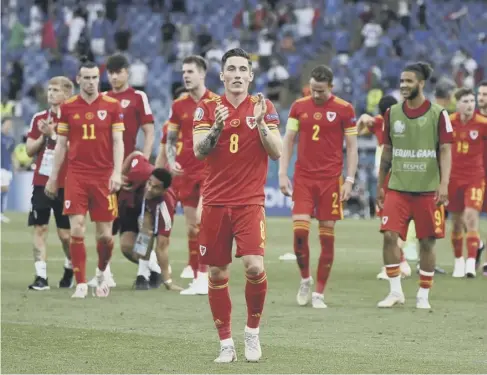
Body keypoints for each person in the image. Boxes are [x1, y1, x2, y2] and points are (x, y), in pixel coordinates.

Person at [192, 48, 282, 363]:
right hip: (216, 203)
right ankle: (226, 343)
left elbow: (277, 151)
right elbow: (199, 152)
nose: (238, 74)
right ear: (222, 75)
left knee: (255, 267)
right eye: (232, 69)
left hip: (249, 202)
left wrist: (260, 125)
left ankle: (252, 333)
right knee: (217, 274)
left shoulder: (264, 107)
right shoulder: (206, 108)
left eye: (243, 69)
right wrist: (216, 129)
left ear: (251, 75)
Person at [278, 65, 358, 309]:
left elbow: (352, 147)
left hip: (330, 181)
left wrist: (349, 179)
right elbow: (289, 140)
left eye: (320, 91)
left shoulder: (344, 109)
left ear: (331, 87)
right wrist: (282, 173)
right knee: (300, 233)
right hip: (303, 178)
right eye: (312, 90)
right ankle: (305, 279)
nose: (315, 95)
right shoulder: (298, 107)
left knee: (327, 238)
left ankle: (319, 293)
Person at [45, 58, 125, 298]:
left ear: (97, 78)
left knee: (105, 235)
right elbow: (60, 146)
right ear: (78, 79)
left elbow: (117, 141)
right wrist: (52, 177)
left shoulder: (112, 105)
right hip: (76, 175)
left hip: (103, 176)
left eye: (93, 77)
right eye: (86, 78)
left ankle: (101, 272)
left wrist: (117, 172)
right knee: (77, 228)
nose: (90, 82)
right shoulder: (68, 107)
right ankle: (80, 283)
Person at [376, 62, 452, 309]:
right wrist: (380, 184)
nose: (403, 85)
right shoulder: (392, 114)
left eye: (409, 81)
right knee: (389, 236)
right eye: (401, 81)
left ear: (421, 83)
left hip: (427, 189)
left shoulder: (438, 114)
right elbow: (387, 151)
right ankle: (395, 291)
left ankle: (423, 295)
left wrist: (444, 184)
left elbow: (445, 150)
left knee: (427, 241)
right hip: (398, 187)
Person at [86, 53, 156, 288]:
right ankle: (106, 272)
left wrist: (143, 161)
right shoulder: (102, 98)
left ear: (127, 72)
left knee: (142, 223)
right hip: (106, 171)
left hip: (133, 172)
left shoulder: (138, 97)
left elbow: (149, 131)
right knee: (105, 225)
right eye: (111, 72)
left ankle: (144, 273)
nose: (115, 76)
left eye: (119, 72)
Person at [157, 55, 217, 296]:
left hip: (209, 172)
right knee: (192, 227)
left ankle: (203, 276)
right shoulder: (178, 105)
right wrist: (171, 162)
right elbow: (171, 138)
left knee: (203, 220)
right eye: (184, 72)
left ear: (202, 74)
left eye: (190, 71)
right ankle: (197, 274)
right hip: (185, 172)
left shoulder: (216, 102)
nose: (186, 75)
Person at [25, 76, 74, 290]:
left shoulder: (74, 118)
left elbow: (76, 150)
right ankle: (41, 276)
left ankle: (71, 266)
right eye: (49, 90)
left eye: (56, 90)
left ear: (67, 94)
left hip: (66, 182)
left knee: (65, 234)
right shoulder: (39, 118)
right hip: (41, 180)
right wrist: (44, 137)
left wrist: (53, 134)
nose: (51, 94)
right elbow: (28, 151)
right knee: (40, 227)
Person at [357, 96, 413, 280]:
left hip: (393, 179)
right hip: (393, 178)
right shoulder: (386, 122)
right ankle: (401, 263)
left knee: (390, 225)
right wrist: (364, 118)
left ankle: (395, 266)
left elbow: (362, 126)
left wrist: (365, 119)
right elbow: (362, 126)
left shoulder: (390, 124)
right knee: (390, 225)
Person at [119, 151, 182, 291]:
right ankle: (147, 272)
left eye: (155, 188)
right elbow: (135, 154)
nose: (149, 189)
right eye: (149, 183)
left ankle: (145, 275)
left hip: (149, 211)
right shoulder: (142, 170)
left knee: (145, 232)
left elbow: (162, 247)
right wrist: (121, 174)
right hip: (130, 202)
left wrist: (168, 282)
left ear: (164, 191)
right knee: (128, 247)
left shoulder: (165, 208)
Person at [448, 88, 487, 278]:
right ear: (458, 104)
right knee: (456, 223)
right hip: (453, 179)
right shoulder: (448, 122)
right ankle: (458, 261)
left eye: (472, 101)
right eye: (466, 101)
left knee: (471, 217)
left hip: (475, 178)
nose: (471, 104)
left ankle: (471, 262)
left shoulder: (482, 123)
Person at [475, 81, 487, 275]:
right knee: (468, 217)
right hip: (474, 175)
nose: (482, 98)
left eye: (485, 94)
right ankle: (476, 244)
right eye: (480, 94)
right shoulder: (472, 119)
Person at [1, 117, 15, 223]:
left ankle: (1, 213)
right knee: (3, 189)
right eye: (7, 124)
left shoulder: (11, 138)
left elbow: (12, 154)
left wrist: (14, 166)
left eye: (10, 124)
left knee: (5, 190)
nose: (8, 126)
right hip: (1, 167)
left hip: (7, 167)